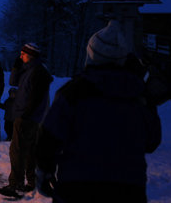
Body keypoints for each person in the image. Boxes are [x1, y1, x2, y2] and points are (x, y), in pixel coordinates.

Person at [34, 21, 161, 202]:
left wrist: (44, 172)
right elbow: (152, 142)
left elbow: (49, 139)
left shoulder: (73, 93)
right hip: (128, 190)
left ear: (91, 54)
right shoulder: (140, 95)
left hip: (77, 188)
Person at [0, 42, 53, 198]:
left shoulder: (37, 72)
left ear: (30, 56)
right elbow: (13, 82)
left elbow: (35, 97)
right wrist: (16, 68)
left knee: (17, 151)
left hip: (27, 118)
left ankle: (15, 185)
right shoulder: (29, 70)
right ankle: (30, 182)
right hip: (26, 116)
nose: (20, 57)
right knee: (27, 151)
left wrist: (26, 114)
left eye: (23, 54)